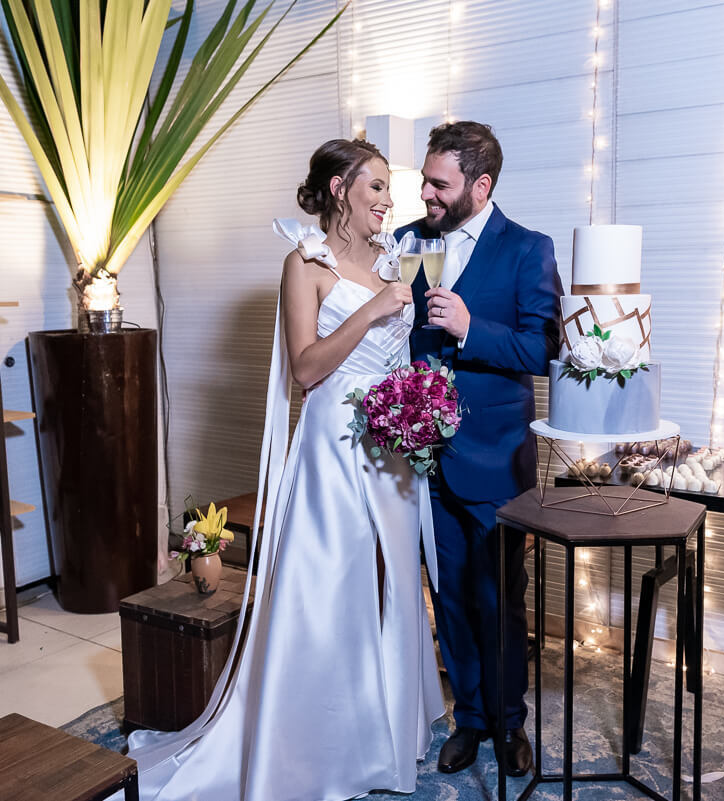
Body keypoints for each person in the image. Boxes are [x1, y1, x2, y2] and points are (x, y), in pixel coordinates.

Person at [118, 138, 444, 801]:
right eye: (376, 187)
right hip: (333, 450)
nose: (388, 201)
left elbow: (396, 355)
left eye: (389, 189)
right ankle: (315, 746)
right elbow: (305, 368)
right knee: (329, 593)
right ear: (338, 189)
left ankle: (385, 732)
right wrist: (375, 309)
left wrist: (418, 404)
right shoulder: (305, 264)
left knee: (392, 591)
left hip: (392, 450)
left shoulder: (394, 259)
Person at [396, 121, 563, 778]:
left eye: (439, 183)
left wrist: (472, 328)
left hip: (498, 459)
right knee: (452, 597)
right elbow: (398, 330)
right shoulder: (410, 240)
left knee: (499, 597)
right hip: (426, 456)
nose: (427, 194)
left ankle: (508, 720)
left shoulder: (528, 249)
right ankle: (468, 718)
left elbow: (544, 350)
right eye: (425, 181)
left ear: (480, 184)